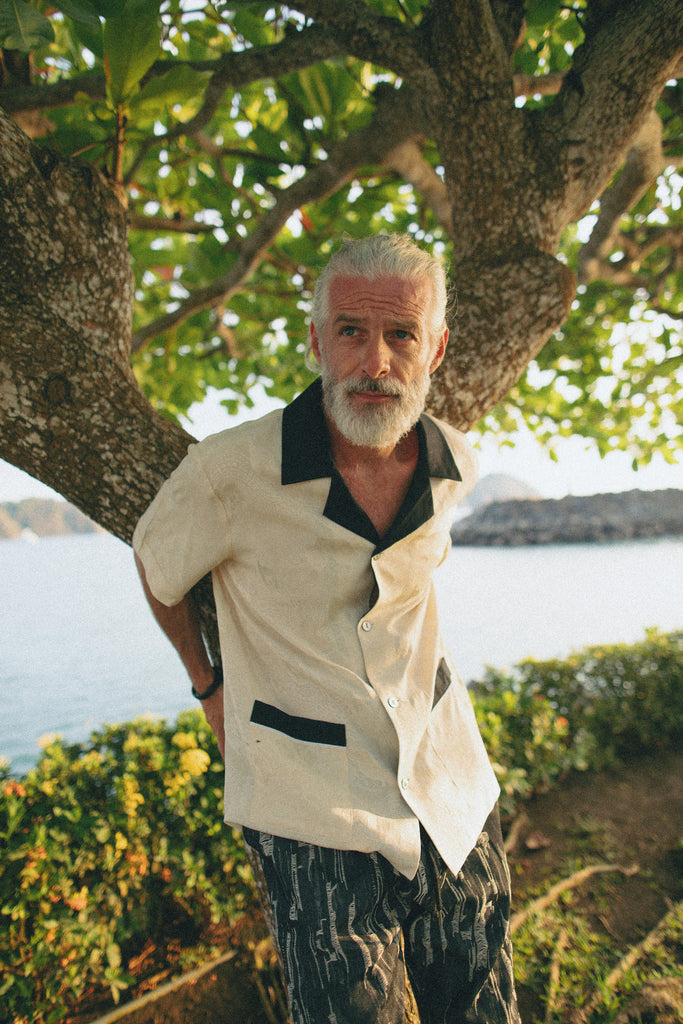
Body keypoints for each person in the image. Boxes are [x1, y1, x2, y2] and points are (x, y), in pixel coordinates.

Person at [133, 234, 521, 1024]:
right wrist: (208, 686)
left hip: (448, 785)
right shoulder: (228, 471)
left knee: (485, 1008)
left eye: (400, 334)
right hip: (311, 806)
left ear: (435, 347)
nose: (374, 360)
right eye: (350, 330)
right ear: (316, 340)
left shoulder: (456, 464)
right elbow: (158, 569)